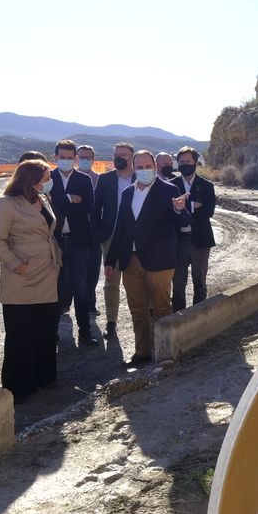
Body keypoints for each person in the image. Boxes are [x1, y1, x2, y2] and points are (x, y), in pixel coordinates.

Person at [0, 158, 62, 401]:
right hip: (23, 276)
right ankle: (18, 385)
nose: (49, 182)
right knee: (22, 332)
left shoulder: (43, 199)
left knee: (45, 329)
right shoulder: (6, 204)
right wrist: (15, 264)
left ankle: (44, 376)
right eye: (45, 178)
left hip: (48, 273)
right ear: (31, 180)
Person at [105, 149, 185, 366]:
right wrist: (110, 260)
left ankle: (164, 351)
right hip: (130, 261)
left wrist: (178, 210)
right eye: (139, 167)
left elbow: (178, 224)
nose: (143, 170)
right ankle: (142, 352)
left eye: (147, 166)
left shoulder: (169, 190)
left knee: (161, 308)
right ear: (134, 167)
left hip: (159, 261)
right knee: (137, 309)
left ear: (155, 167)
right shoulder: (128, 193)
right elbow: (120, 228)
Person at [49, 140, 99, 346]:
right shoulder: (47, 178)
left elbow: (88, 206)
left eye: (70, 158)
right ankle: (51, 334)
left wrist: (61, 202)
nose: (67, 161)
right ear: (55, 158)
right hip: (54, 242)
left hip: (79, 241)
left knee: (81, 287)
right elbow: (47, 205)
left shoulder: (84, 180)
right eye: (63, 157)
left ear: (75, 159)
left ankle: (85, 332)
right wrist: (70, 198)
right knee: (53, 288)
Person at [90, 141, 134, 342]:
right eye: (116, 154)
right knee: (111, 281)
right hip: (109, 237)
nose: (119, 158)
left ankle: (143, 320)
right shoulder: (105, 179)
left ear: (131, 157)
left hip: (135, 238)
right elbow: (95, 208)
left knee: (137, 281)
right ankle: (111, 322)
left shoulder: (141, 178)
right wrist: (99, 233)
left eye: (123, 155)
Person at [171, 146, 216, 309]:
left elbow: (208, 212)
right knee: (177, 284)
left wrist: (183, 206)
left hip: (201, 241)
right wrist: (193, 205)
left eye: (188, 161)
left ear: (196, 163)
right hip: (178, 242)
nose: (184, 164)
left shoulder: (206, 186)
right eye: (181, 162)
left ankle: (198, 318)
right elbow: (169, 214)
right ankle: (177, 319)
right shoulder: (171, 186)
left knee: (200, 283)